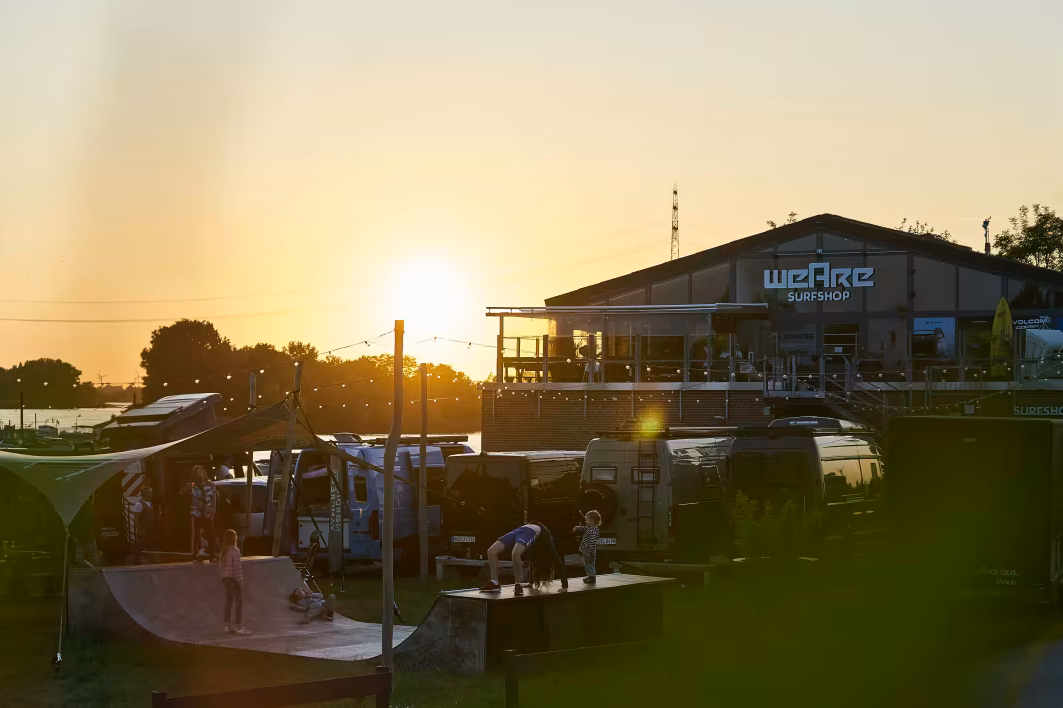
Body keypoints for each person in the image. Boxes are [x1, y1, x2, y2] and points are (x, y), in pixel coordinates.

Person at [481, 522, 568, 596]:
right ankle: (494, 583)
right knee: (491, 551)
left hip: (531, 531)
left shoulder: (542, 550)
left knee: (515, 553)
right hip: (521, 530)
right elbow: (557, 563)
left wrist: (564, 586)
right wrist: (530, 583)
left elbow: (556, 563)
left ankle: (518, 585)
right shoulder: (547, 545)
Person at [219, 529, 251, 635]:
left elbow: (221, 567)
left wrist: (224, 578)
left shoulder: (223, 550)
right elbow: (237, 568)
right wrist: (239, 581)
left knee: (229, 602)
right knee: (239, 602)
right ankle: (238, 626)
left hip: (225, 579)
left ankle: (227, 626)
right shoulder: (235, 550)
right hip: (233, 579)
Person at [190, 465, 217, 559]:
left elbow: (214, 499)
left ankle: (211, 552)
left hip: (208, 512)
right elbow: (194, 499)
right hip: (196, 513)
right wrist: (201, 507)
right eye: (197, 473)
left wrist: (213, 511)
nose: (199, 474)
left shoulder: (211, 485)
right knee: (196, 533)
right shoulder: (194, 485)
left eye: (201, 472)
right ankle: (195, 552)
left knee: (210, 533)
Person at [573, 510, 602, 584]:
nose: (586, 521)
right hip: (587, 551)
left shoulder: (592, 531)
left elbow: (592, 543)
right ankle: (590, 576)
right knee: (587, 564)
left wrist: (590, 552)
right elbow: (582, 528)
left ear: (592, 520)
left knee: (590, 565)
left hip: (589, 552)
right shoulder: (591, 529)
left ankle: (592, 577)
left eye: (587, 519)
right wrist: (576, 528)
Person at [130, 486, 155, 565]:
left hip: (150, 528)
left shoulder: (150, 503)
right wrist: (139, 530)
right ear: (146, 494)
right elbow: (136, 518)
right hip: (143, 528)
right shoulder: (139, 504)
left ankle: (151, 559)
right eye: (150, 493)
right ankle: (136, 560)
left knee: (150, 543)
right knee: (139, 544)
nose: (152, 494)